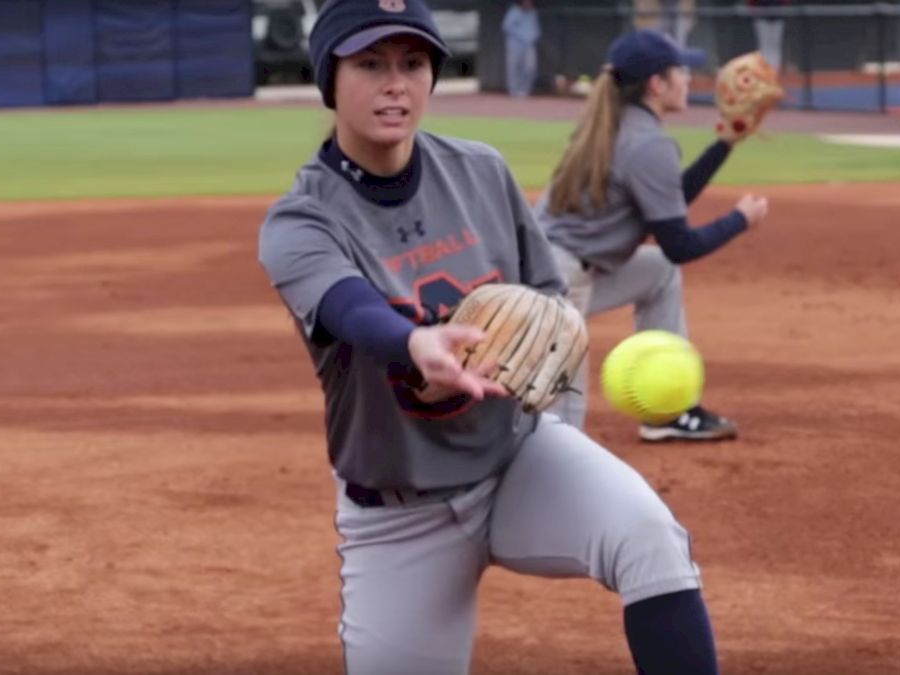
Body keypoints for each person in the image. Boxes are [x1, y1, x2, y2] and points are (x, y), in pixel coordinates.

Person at [257, 2, 721, 673]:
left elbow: (551, 293)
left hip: (519, 459)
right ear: (330, 77)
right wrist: (416, 343)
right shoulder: (300, 221)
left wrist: (551, 343)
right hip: (401, 512)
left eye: (413, 63)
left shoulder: (479, 171)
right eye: (370, 64)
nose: (396, 83)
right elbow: (348, 305)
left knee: (650, 536)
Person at [536, 28, 770, 441]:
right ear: (657, 84)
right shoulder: (648, 143)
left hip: (549, 270)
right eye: (680, 71)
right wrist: (739, 219)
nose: (688, 79)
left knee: (658, 272)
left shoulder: (612, 125)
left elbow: (667, 200)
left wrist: (725, 143)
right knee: (561, 430)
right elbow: (679, 244)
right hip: (555, 286)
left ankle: (669, 409)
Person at [502, 0, 540, 98]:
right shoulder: (514, 12)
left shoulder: (533, 13)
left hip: (529, 45)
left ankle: (524, 90)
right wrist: (522, 36)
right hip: (515, 45)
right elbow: (506, 27)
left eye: (530, 2)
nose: (528, 3)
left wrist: (533, 37)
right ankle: (514, 91)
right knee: (514, 68)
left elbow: (536, 29)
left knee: (530, 67)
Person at [747, 0, 789, 73]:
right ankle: (764, 69)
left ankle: (775, 69)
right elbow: (751, 2)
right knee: (764, 45)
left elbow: (785, 2)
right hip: (762, 16)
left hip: (777, 15)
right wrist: (753, 10)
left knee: (775, 45)